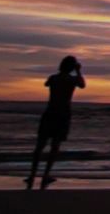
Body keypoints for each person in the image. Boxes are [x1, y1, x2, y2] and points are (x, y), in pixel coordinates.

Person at [26, 55, 85, 189]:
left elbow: (46, 84)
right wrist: (78, 71)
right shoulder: (71, 79)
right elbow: (82, 84)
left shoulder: (53, 78)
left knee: (40, 145)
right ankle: (46, 174)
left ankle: (32, 174)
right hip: (63, 114)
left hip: (50, 112)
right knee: (55, 146)